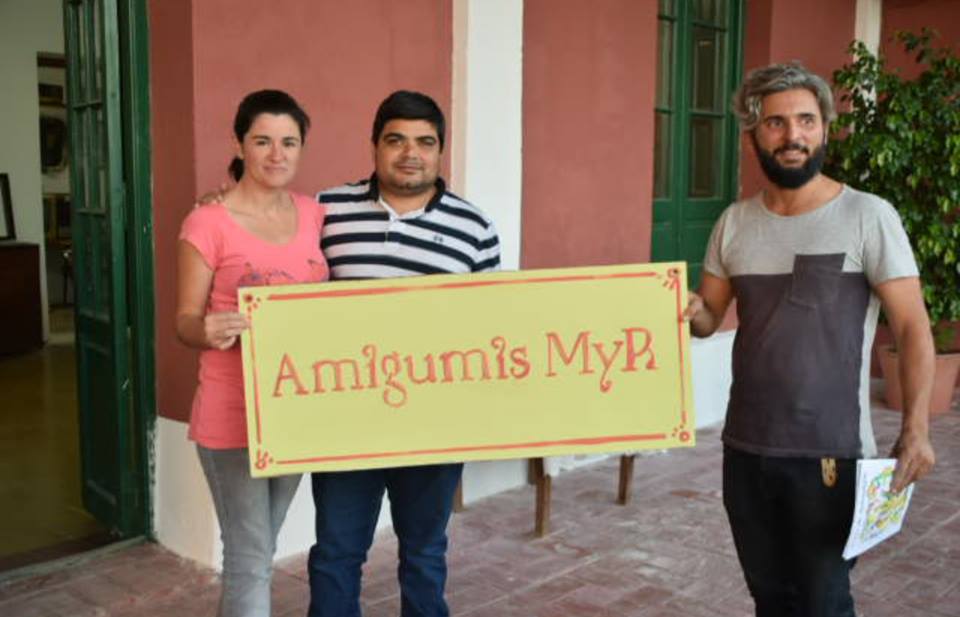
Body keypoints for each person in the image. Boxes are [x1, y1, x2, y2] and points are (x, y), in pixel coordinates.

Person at [684, 62, 937, 617]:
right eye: (775, 123)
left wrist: (915, 429)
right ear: (753, 135)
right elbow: (710, 317)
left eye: (805, 121)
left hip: (830, 456)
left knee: (823, 604)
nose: (792, 135)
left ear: (825, 128)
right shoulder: (733, 223)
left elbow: (913, 326)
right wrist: (686, 308)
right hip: (746, 449)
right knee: (771, 600)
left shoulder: (868, 216)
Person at [306, 90, 501, 617]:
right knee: (336, 552)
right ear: (374, 145)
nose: (410, 153)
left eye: (424, 142)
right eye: (396, 140)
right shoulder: (323, 211)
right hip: (345, 419)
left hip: (435, 424)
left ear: (440, 150)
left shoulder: (475, 227)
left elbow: (491, 325)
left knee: (425, 552)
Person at [176, 89, 329, 617]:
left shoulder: (314, 214)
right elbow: (184, 323)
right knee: (249, 555)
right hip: (232, 412)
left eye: (289, 142)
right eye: (262, 141)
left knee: (259, 550)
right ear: (239, 144)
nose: (276, 154)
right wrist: (206, 329)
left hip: (293, 410)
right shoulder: (207, 222)